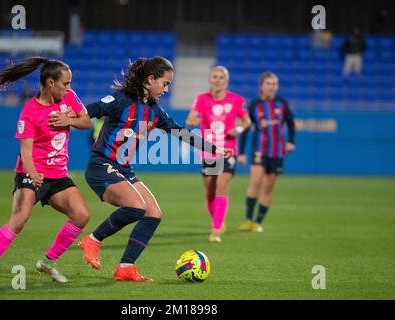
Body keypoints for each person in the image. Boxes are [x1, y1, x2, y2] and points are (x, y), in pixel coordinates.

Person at [79, 56, 230, 282]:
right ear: (150, 80)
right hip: (101, 165)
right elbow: (92, 109)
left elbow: (180, 132)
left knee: (153, 214)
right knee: (137, 208)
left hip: (123, 168)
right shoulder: (121, 100)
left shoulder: (155, 112)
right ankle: (93, 239)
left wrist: (212, 148)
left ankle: (126, 267)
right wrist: (64, 118)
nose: (167, 89)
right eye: (165, 83)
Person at [0, 56, 93, 284]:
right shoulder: (30, 111)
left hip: (58, 175)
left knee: (81, 215)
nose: (68, 88)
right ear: (50, 82)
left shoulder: (69, 98)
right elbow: (25, 151)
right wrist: (33, 173)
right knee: (19, 218)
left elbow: (86, 121)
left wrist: (69, 121)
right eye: (65, 83)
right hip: (31, 173)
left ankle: (48, 261)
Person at [185, 66, 250, 243]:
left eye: (221, 77)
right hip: (208, 150)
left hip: (228, 150)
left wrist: (237, 129)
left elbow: (247, 121)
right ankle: (218, 220)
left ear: (226, 80)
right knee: (210, 191)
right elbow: (191, 117)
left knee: (222, 184)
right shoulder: (201, 99)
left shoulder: (236, 100)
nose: (217, 80)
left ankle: (215, 229)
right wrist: (191, 121)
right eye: (214, 77)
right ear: (210, 79)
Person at [238, 72, 295, 233]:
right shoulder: (254, 104)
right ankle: (248, 219)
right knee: (255, 181)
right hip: (259, 149)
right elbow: (246, 128)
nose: (272, 86)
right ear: (262, 85)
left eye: (274, 84)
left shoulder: (282, 103)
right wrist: (241, 152)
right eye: (268, 83)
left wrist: (291, 141)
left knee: (269, 185)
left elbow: (291, 123)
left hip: (277, 151)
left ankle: (258, 221)